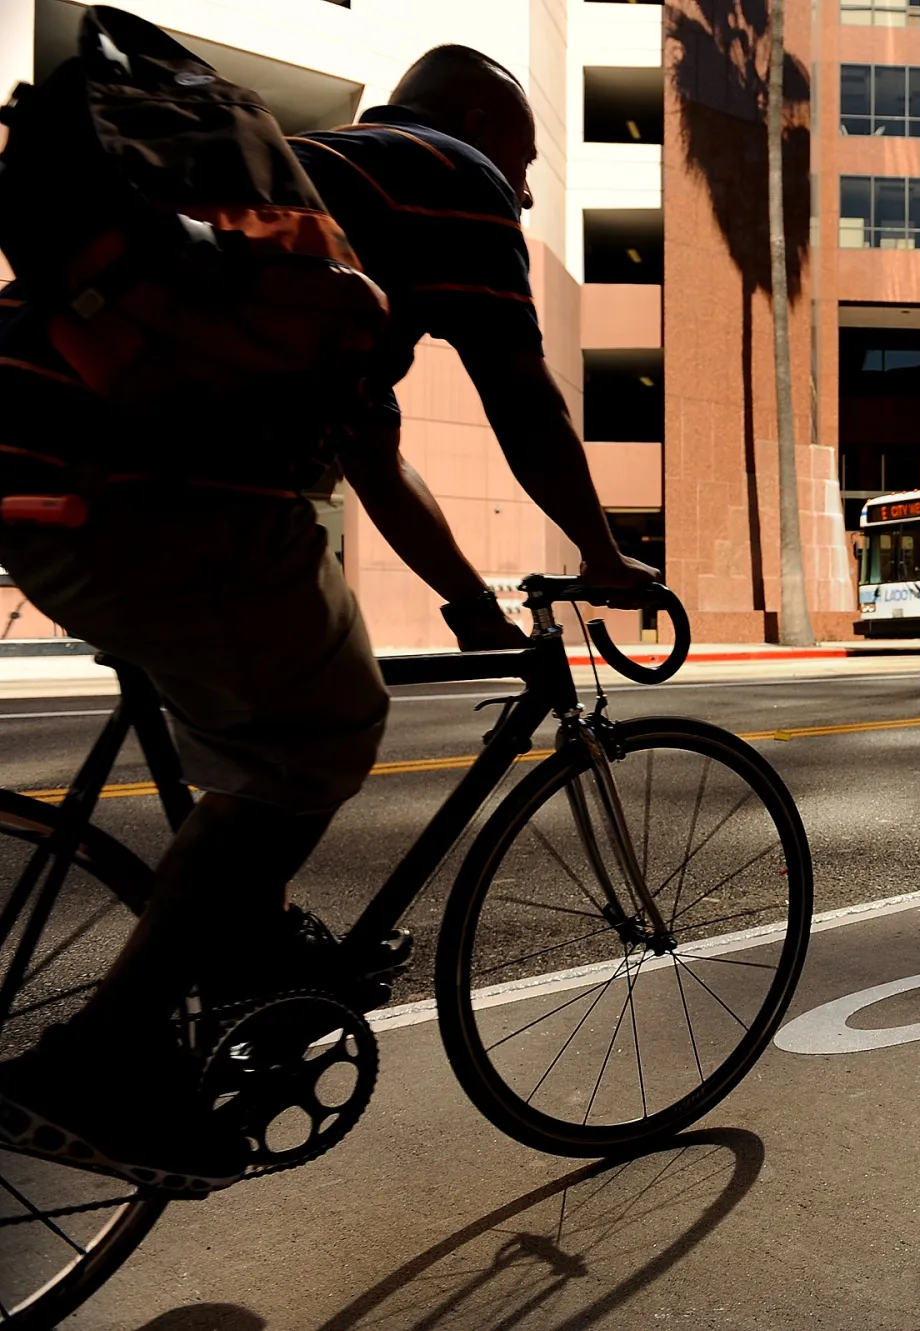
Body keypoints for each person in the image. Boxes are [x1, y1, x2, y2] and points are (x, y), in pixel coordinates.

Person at [0, 46, 655, 1196]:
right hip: (139, 485)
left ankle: (243, 950)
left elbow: (372, 454)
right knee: (318, 729)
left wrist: (466, 601)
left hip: (34, 446)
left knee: (268, 712)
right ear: (468, 118)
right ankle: (100, 1063)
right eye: (530, 157)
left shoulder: (308, 203)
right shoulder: (449, 173)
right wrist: (600, 556)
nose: (531, 191)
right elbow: (523, 392)